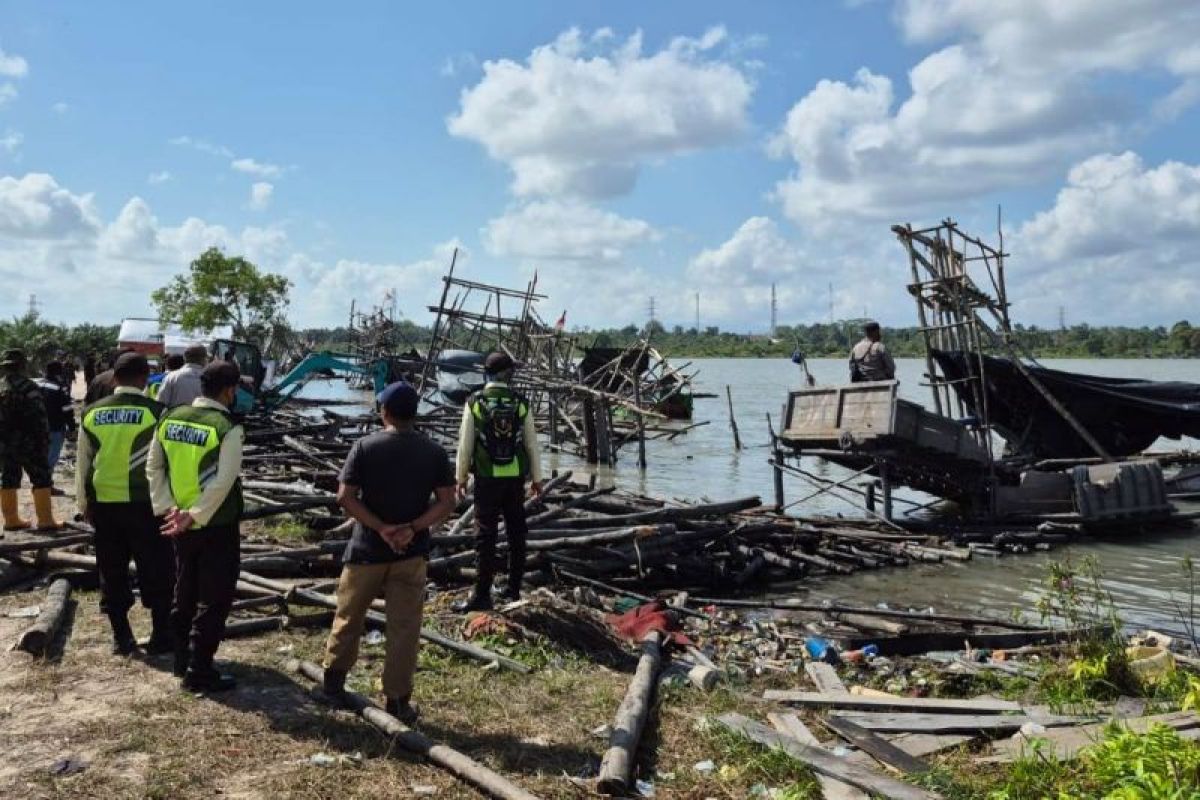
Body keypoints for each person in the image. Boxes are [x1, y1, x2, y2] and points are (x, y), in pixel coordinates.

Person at [321, 381, 455, 721]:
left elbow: (345, 497)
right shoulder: (434, 451)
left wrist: (380, 528)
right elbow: (447, 502)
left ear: (384, 412)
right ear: (414, 414)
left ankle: (333, 686)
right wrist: (412, 528)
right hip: (411, 553)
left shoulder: (366, 447)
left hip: (367, 549)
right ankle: (397, 700)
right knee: (405, 627)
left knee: (349, 616)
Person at [148, 361, 245, 691]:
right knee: (214, 597)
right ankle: (200, 669)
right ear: (229, 390)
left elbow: (154, 467)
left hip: (178, 522)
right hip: (215, 524)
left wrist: (168, 509)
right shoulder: (226, 426)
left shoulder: (170, 419)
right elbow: (223, 481)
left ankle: (180, 659)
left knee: (184, 588)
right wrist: (197, 514)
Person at [78, 352, 175, 655]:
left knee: (112, 570)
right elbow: (166, 464)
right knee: (157, 569)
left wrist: (85, 505)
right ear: (146, 377)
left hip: (105, 505)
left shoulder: (91, 413)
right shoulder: (158, 412)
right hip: (146, 505)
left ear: (114, 378)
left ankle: (122, 637)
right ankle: (161, 636)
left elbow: (83, 464)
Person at [453, 352, 543, 613]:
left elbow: (465, 444)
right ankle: (513, 588)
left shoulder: (475, 401)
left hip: (486, 477)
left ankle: (482, 594)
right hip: (514, 477)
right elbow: (531, 444)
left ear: (487, 373)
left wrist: (460, 477)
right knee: (517, 532)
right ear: (508, 374)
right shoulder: (520, 402)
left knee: (485, 534)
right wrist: (537, 479)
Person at [0, 349, 61, 530]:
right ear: (22, 366)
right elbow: (39, 417)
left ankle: (11, 520)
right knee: (41, 477)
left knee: (8, 478)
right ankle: (45, 520)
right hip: (29, 442)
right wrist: (45, 439)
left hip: (4, 443)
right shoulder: (29, 387)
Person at [36, 361, 76, 478]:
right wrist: (72, 427)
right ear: (59, 371)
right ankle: (46, 485)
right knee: (52, 456)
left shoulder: (36, 385)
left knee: (40, 455)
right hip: (55, 427)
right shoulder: (60, 387)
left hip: (36, 427)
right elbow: (67, 409)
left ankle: (39, 484)